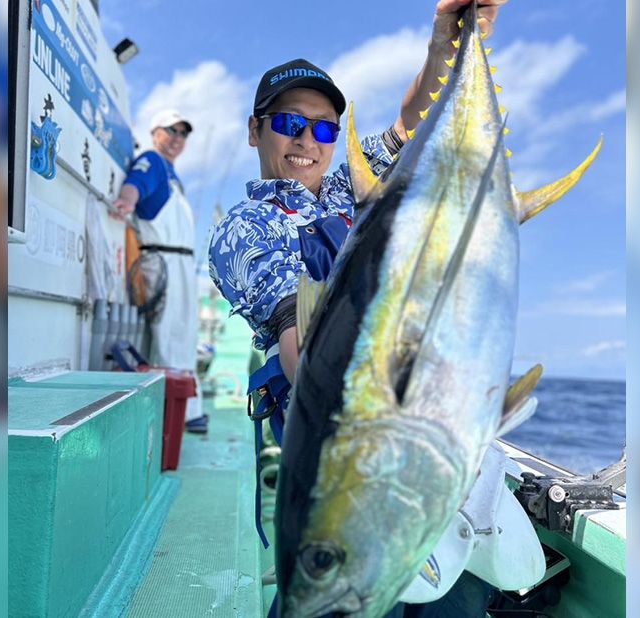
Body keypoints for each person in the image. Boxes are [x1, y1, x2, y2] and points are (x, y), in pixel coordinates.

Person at [208, 1, 512, 615]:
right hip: (340, 440)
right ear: (254, 129)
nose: (307, 141)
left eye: (324, 129)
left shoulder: (355, 180)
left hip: (416, 412)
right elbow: (302, 347)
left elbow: (412, 124)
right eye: (289, 123)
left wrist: (446, 44)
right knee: (337, 585)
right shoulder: (245, 228)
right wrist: (402, 415)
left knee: (449, 590)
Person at [115, 109, 207, 434]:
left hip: (181, 263)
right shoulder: (152, 161)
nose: (178, 140)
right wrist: (126, 201)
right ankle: (176, 413)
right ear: (156, 132)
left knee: (184, 335)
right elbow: (134, 185)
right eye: (172, 131)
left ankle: (185, 406)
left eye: (183, 134)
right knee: (169, 336)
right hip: (163, 261)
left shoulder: (173, 175)